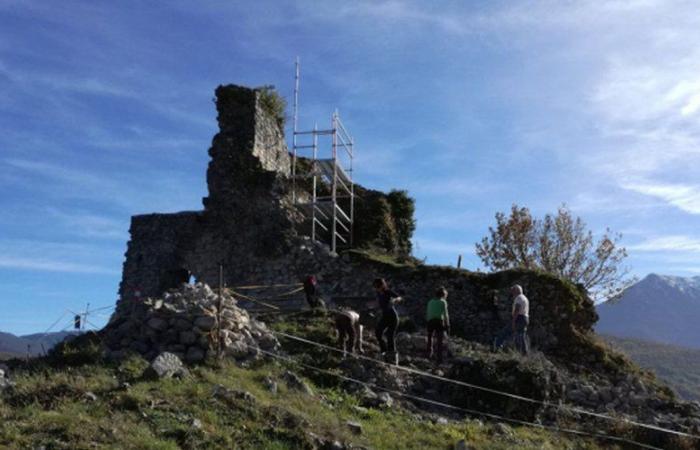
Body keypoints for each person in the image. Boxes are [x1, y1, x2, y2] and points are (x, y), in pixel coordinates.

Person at [372, 278, 402, 364]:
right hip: (385, 316)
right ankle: (384, 352)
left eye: (378, 286)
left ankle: (393, 358)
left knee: (390, 335)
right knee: (378, 332)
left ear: (382, 285)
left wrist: (395, 300)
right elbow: (380, 304)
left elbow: (399, 297)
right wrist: (373, 306)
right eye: (375, 287)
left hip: (392, 317)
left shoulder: (388, 292)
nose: (377, 288)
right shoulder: (378, 293)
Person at [426, 287, 450, 364]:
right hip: (439, 321)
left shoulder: (430, 301)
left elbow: (428, 312)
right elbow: (446, 315)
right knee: (440, 341)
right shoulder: (443, 302)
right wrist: (448, 325)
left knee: (430, 338)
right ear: (443, 295)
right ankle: (439, 359)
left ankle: (429, 353)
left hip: (430, 321)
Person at [511, 284, 530, 355]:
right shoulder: (524, 298)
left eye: (513, 291)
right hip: (525, 317)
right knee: (522, 335)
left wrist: (513, 320)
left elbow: (517, 309)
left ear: (516, 291)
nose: (512, 293)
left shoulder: (519, 298)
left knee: (519, 336)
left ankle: (522, 353)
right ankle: (523, 352)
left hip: (520, 318)